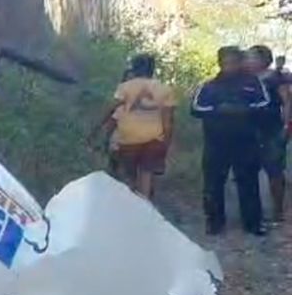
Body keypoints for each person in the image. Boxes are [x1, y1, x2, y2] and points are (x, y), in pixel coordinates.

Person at [191, 46, 271, 236]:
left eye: (234, 62)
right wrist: (218, 110)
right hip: (216, 144)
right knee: (213, 184)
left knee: (249, 183)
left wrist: (243, 110)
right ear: (219, 63)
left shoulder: (253, 83)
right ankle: (215, 222)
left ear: (240, 62)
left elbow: (264, 105)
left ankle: (253, 224)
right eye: (226, 62)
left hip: (246, 142)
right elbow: (196, 109)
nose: (230, 66)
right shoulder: (209, 86)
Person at [90, 54, 175, 200]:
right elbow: (168, 122)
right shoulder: (165, 90)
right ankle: (144, 208)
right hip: (154, 139)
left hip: (129, 139)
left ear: (134, 68)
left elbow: (112, 110)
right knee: (146, 177)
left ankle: (127, 207)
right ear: (152, 69)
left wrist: (96, 128)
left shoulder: (125, 87)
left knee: (128, 177)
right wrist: (165, 145)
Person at [246, 45, 290, 223]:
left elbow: (287, 102)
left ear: (263, 60)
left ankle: (277, 212)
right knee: (249, 170)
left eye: (252, 57)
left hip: (272, 130)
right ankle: (253, 211)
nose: (249, 61)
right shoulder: (246, 79)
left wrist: (287, 126)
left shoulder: (275, 78)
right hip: (249, 130)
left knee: (274, 171)